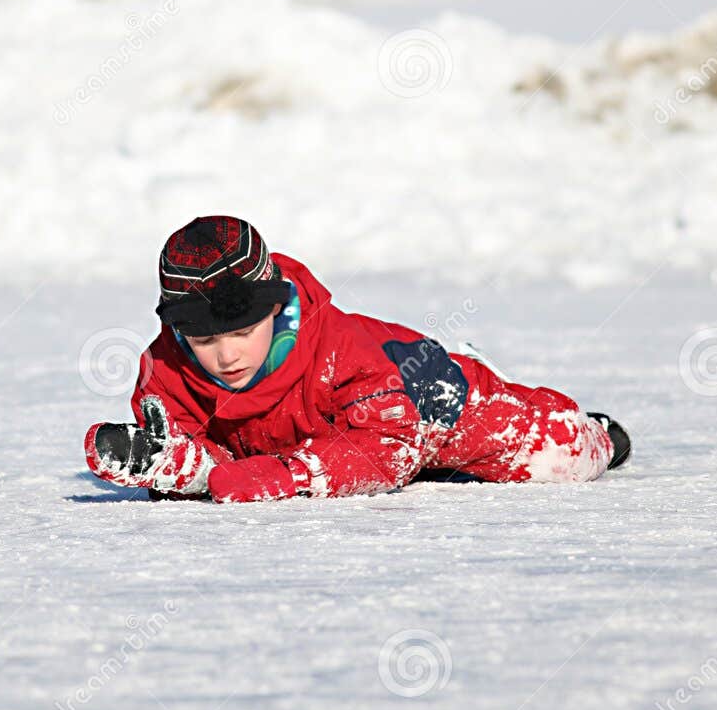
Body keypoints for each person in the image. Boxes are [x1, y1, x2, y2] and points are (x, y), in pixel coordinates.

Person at [84, 215, 630, 504]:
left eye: (244, 331)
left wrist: (287, 474)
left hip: (424, 399)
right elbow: (217, 469)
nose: (226, 355)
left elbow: (390, 451)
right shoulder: (166, 373)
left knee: (559, 458)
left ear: (275, 309)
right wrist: (180, 467)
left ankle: (600, 433)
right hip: (326, 438)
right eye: (203, 341)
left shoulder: (342, 352)